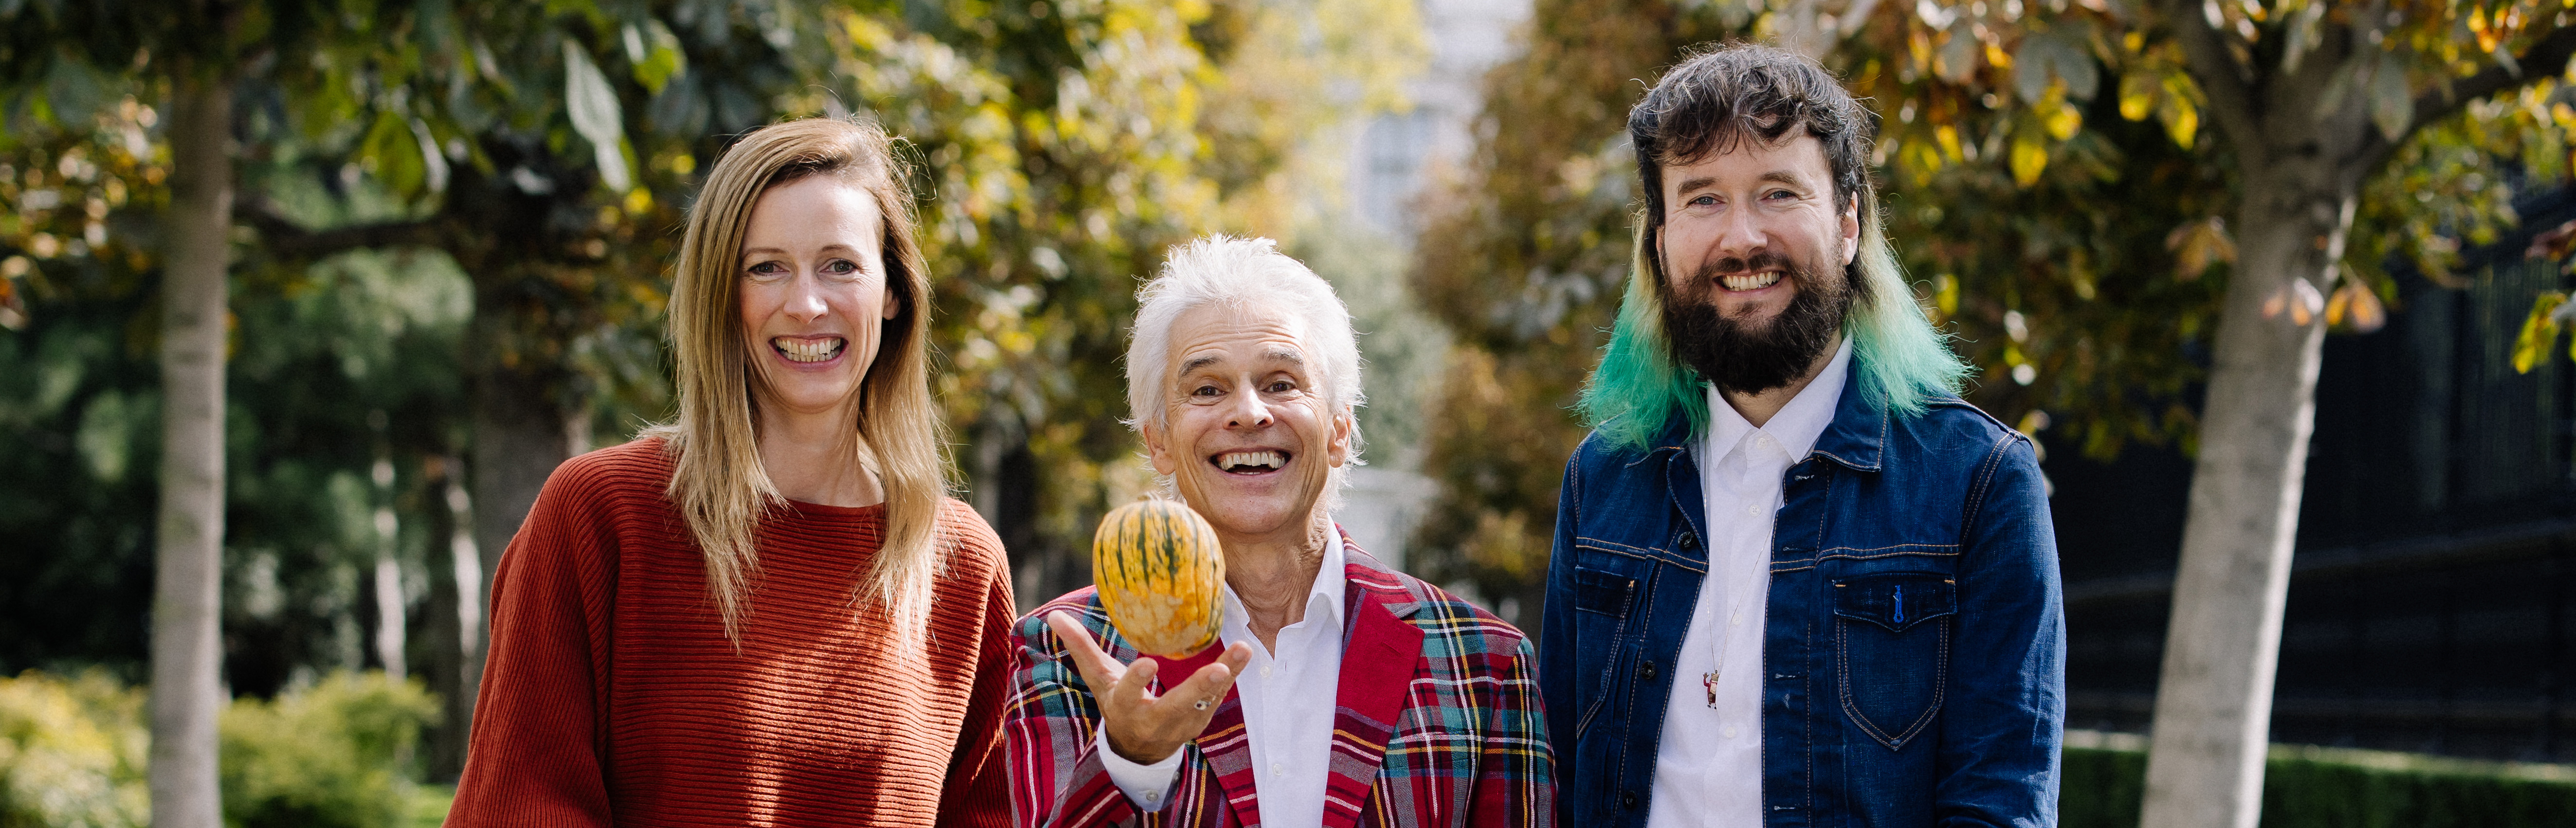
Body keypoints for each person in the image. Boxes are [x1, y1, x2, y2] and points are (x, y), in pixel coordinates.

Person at [1540, 44, 2064, 827]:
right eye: (1703, 199)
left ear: (1848, 224)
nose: (1742, 238)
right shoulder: (1604, 478)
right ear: (1660, 241)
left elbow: (2001, 802)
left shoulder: (1978, 482)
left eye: (1778, 192)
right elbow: (1554, 781)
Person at [445, 118, 1016, 828]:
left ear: (892, 292)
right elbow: (520, 803)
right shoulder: (600, 513)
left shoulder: (961, 562)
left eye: (840, 265)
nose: (806, 304)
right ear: (722, 293)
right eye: (766, 267)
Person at [1005, 236, 1554, 827]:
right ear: (1158, 440)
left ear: (1339, 429)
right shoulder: (1065, 650)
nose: (1249, 412)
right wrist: (1133, 759)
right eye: (1207, 389)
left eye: (1281, 383)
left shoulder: (1485, 663)